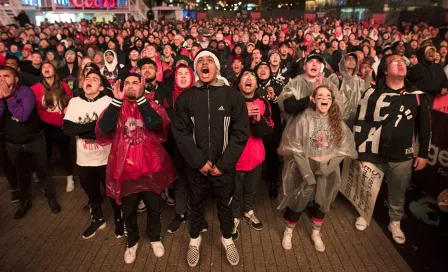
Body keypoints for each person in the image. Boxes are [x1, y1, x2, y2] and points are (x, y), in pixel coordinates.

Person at [171, 49, 249, 267]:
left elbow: (240, 132)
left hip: (224, 169)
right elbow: (181, 134)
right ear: (196, 69)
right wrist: (200, 162)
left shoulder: (232, 96)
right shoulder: (186, 99)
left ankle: (226, 238)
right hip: (196, 169)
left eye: (209, 61)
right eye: (200, 61)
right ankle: (194, 240)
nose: (204, 64)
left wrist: (223, 165)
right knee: (195, 205)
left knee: (225, 205)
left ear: (216, 67)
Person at [96, 73, 177, 263]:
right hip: (125, 170)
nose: (131, 86)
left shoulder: (150, 104)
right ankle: (132, 241)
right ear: (121, 87)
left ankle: (155, 238)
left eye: (135, 83)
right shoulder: (115, 106)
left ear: (142, 86)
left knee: (153, 208)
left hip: (149, 169)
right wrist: (116, 102)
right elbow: (105, 129)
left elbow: (156, 124)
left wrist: (141, 99)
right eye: (127, 83)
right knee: (129, 210)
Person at [353, 54, 431, 245]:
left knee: (398, 190)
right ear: (385, 70)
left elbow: (425, 127)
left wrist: (423, 154)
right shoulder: (371, 93)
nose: (401, 63)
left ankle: (395, 222)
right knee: (368, 186)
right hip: (373, 151)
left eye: (402, 61)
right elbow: (360, 122)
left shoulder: (417, 96)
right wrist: (359, 151)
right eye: (394, 62)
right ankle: (365, 213)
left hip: (402, 154)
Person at [278, 85, 357, 251]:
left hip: (328, 168)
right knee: (299, 199)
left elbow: (344, 148)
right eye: (320, 95)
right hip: (305, 166)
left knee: (323, 201)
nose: (324, 98)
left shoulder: (337, 122)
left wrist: (328, 169)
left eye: (328, 96)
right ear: (313, 99)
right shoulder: (304, 119)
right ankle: (289, 230)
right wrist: (307, 174)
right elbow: (296, 147)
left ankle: (316, 232)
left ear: (332, 100)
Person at [63, 70, 124, 239]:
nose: (89, 80)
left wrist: (85, 130)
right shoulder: (75, 101)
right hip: (84, 160)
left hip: (105, 158)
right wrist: (95, 127)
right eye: (87, 78)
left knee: (112, 192)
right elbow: (68, 129)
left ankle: (119, 219)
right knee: (92, 194)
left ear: (101, 86)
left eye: (94, 79)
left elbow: (108, 128)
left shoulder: (108, 101)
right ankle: (98, 219)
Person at [0, 66, 61, 219]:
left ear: (16, 79)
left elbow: (22, 115)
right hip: (13, 143)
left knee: (43, 172)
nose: (2, 80)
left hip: (34, 141)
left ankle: (52, 199)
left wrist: (8, 98)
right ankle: (25, 202)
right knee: (22, 175)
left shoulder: (26, 92)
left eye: (6, 76)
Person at [231, 70, 273, 240]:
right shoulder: (230, 100)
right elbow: (223, 128)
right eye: (245, 77)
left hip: (256, 158)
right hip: (234, 158)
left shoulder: (263, 102)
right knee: (234, 191)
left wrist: (257, 120)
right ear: (239, 82)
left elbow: (268, 131)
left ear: (257, 84)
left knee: (251, 189)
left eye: (253, 77)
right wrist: (243, 116)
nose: (249, 79)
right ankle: (233, 217)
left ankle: (248, 211)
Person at [31, 62, 74, 192]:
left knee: (65, 153)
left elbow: (71, 103)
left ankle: (70, 178)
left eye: (49, 66)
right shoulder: (35, 88)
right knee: (45, 154)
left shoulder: (64, 86)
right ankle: (43, 177)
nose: (46, 68)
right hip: (45, 127)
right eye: (43, 67)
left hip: (62, 126)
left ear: (54, 71)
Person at [254, 61, 283, 199]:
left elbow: (285, 106)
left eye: (266, 67)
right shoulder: (251, 83)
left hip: (273, 128)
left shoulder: (278, 85)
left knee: (272, 156)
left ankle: (273, 182)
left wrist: (275, 98)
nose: (263, 70)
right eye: (260, 68)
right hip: (255, 127)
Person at [337, 52, 372, 127]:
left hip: (355, 121)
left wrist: (369, 76)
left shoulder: (359, 80)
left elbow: (365, 91)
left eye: (353, 59)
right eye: (348, 59)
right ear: (343, 62)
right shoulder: (336, 78)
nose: (351, 60)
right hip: (337, 120)